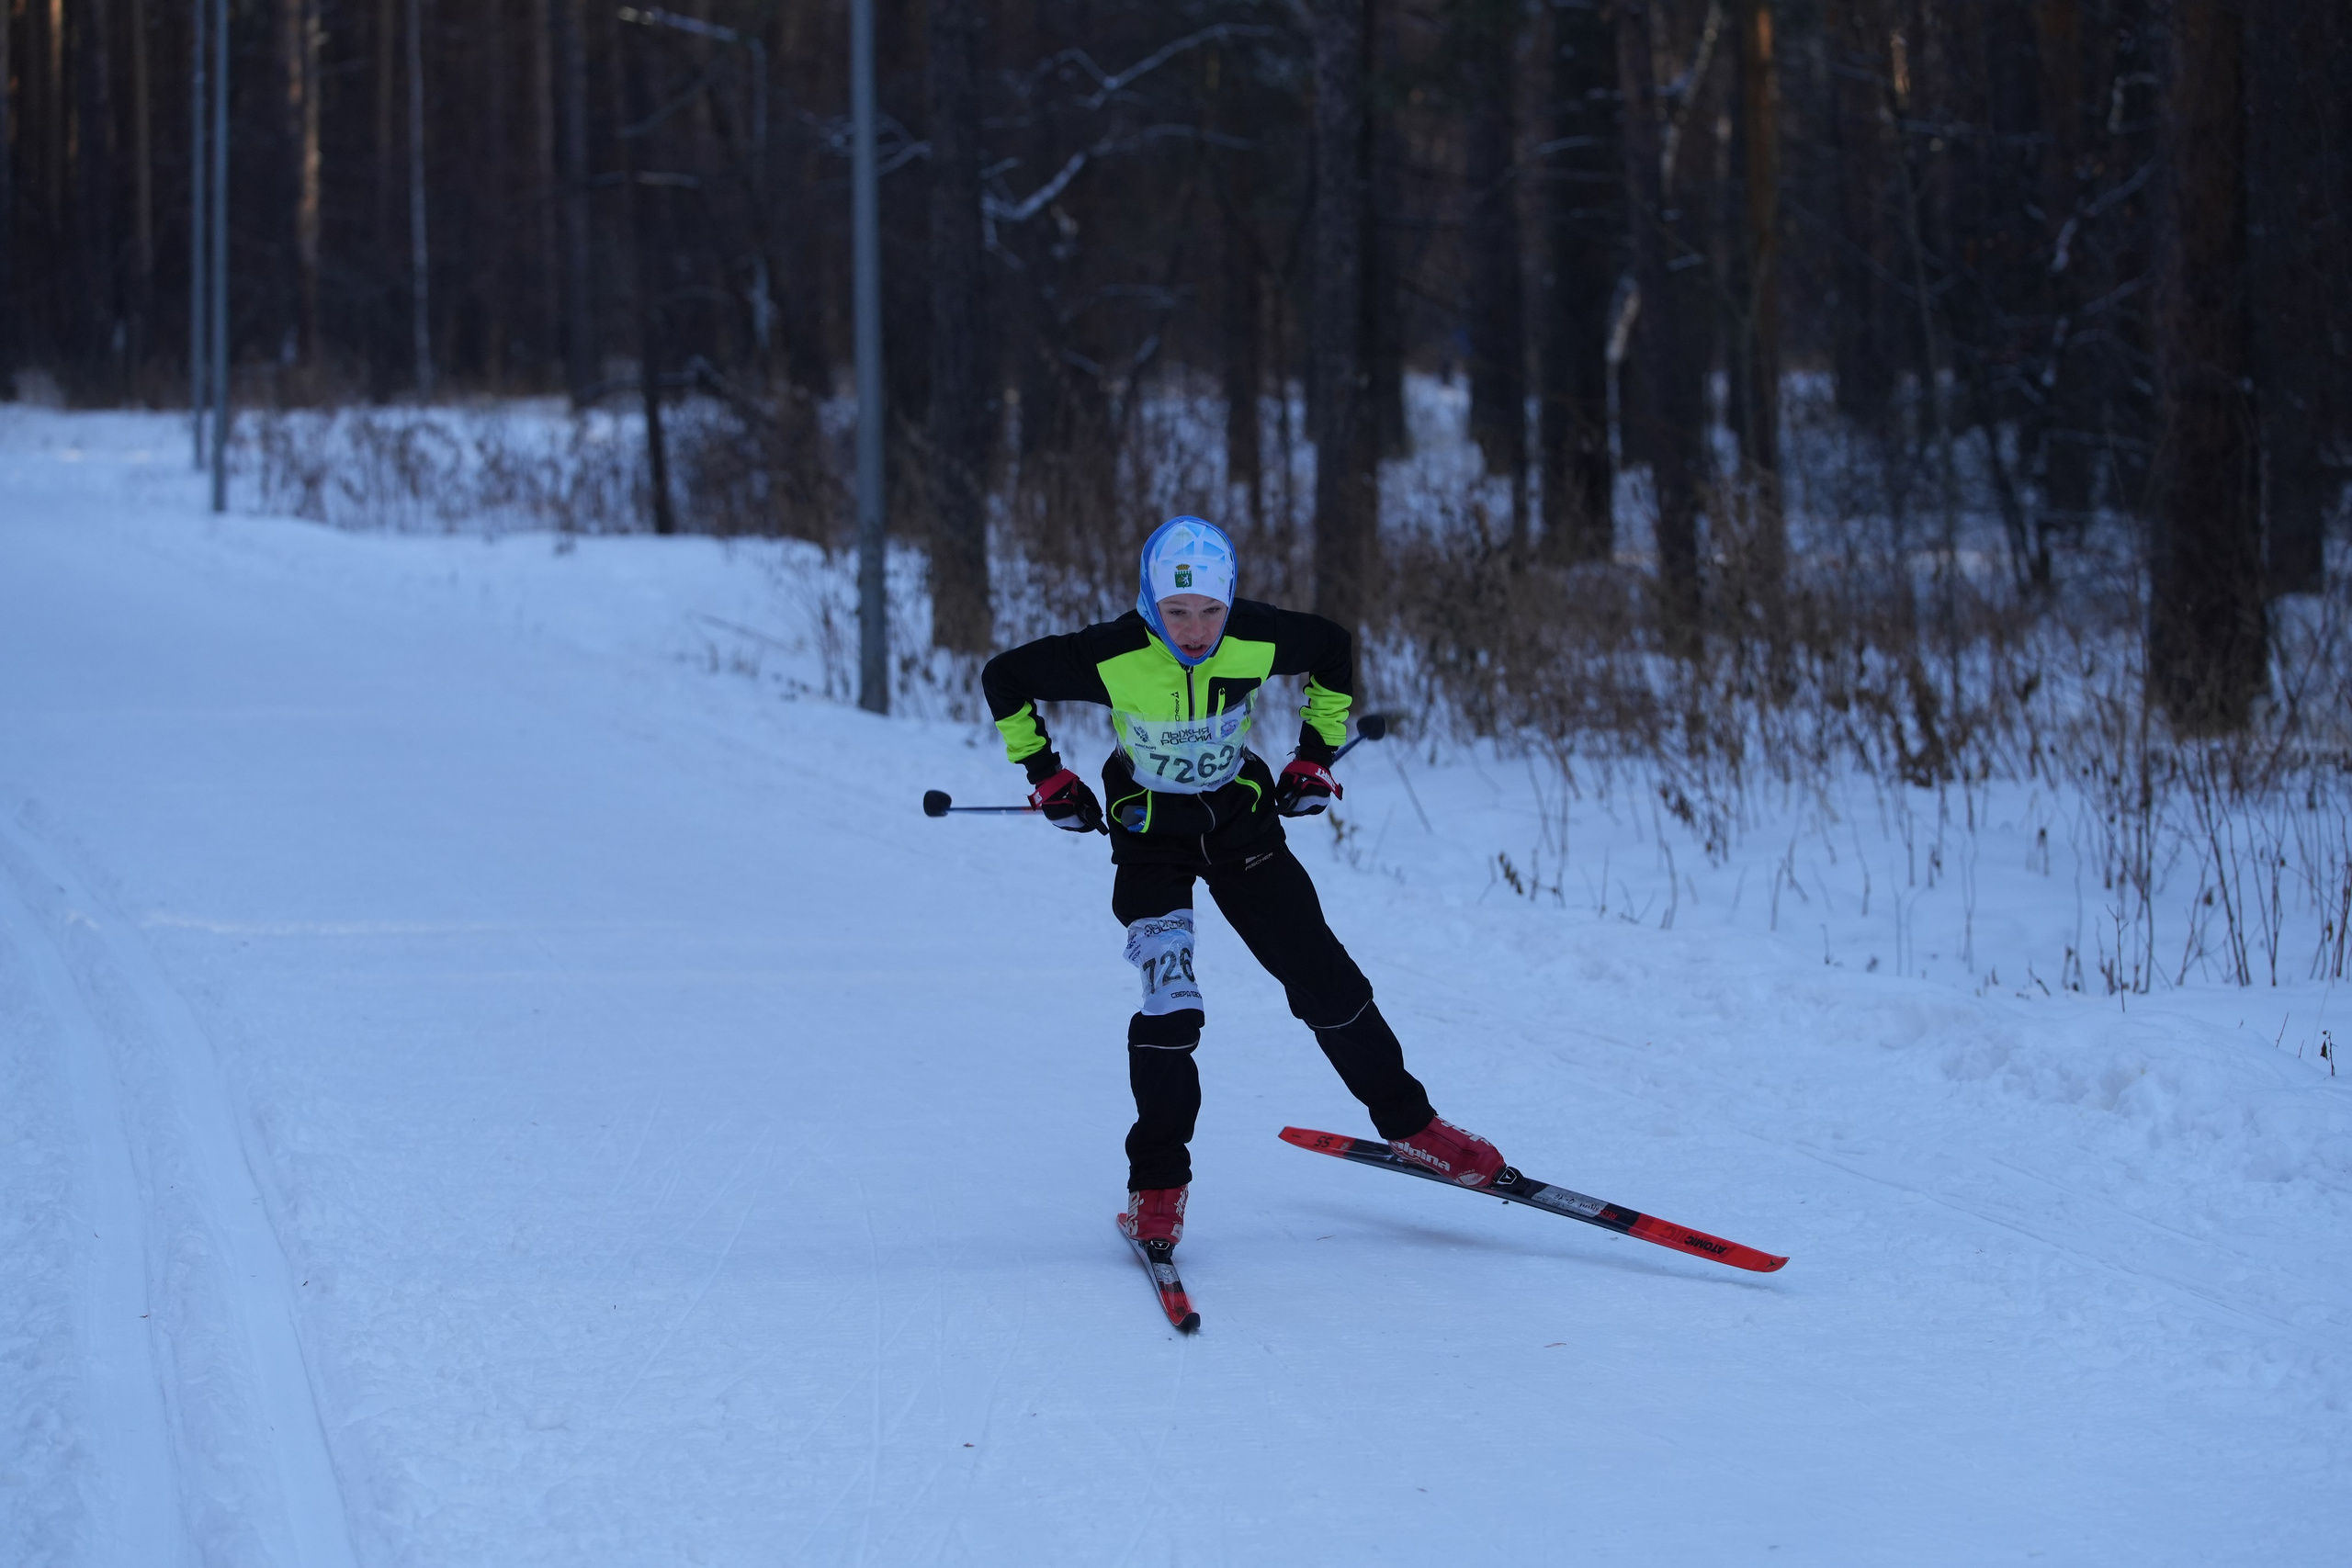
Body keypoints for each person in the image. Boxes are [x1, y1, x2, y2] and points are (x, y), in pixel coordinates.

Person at [980, 515, 1505, 1248]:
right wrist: (1047, 775)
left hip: (1241, 828)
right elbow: (1004, 677)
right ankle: (1157, 1186)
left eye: (1211, 611)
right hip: (1150, 839)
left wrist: (1315, 753)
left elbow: (1331, 648)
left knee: (1325, 979)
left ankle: (1412, 1127)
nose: (1196, 631)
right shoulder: (1111, 653)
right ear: (1149, 603)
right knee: (1172, 1007)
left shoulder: (1256, 635)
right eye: (1176, 611)